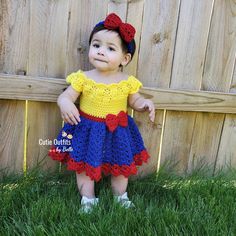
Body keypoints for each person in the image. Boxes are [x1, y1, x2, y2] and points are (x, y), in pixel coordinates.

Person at [48, 13, 155, 213]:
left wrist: (144, 104)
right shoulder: (83, 78)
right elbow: (67, 96)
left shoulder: (127, 81)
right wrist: (64, 103)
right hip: (87, 130)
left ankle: (120, 196)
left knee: (121, 165)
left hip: (118, 131)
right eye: (96, 45)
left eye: (110, 48)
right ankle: (88, 199)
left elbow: (135, 101)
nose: (101, 52)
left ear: (125, 58)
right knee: (84, 167)